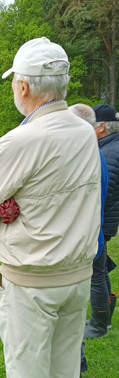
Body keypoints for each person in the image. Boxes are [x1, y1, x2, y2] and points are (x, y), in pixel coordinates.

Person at [0, 37, 101, 378]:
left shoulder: (21, 140)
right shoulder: (84, 132)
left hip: (32, 282)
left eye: (13, 81)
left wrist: (3, 208)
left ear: (23, 86)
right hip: (77, 277)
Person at [69, 103, 109, 378]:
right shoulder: (96, 154)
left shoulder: (84, 158)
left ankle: (74, 365)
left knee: (68, 310)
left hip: (78, 246)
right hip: (90, 239)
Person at [83, 103, 119, 338]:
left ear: (102, 126)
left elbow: (105, 191)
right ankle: (103, 317)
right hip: (104, 220)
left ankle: (98, 324)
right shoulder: (108, 147)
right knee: (101, 269)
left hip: (100, 221)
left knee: (95, 272)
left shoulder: (109, 151)